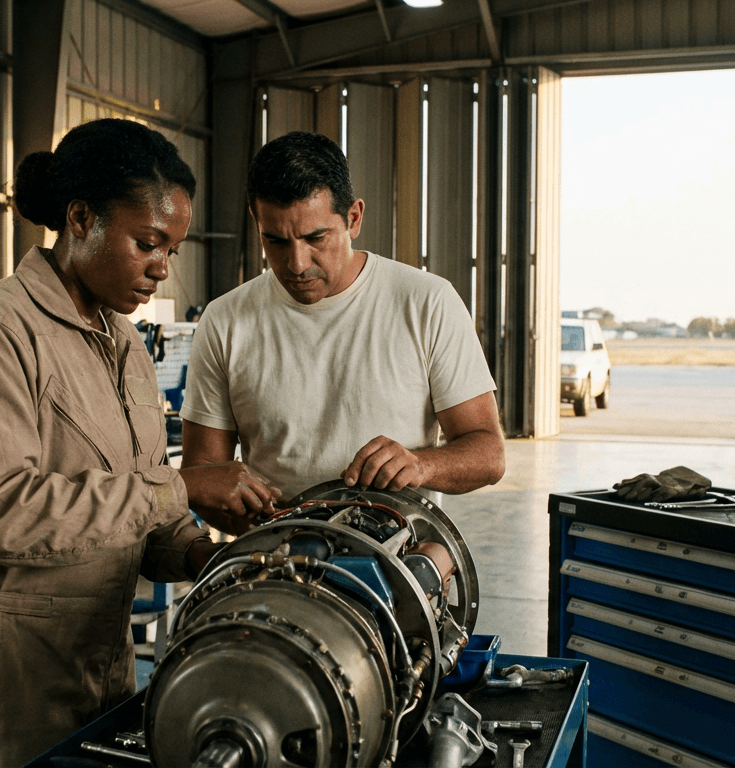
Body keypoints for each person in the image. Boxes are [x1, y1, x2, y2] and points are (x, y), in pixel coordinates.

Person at [0, 118, 280, 767]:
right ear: (81, 219)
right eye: (147, 244)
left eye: (172, 251)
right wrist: (184, 485)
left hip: (97, 668)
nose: (162, 270)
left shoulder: (124, 343)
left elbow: (141, 512)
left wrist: (206, 559)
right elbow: (0, 515)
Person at [180, 131, 505, 528]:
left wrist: (420, 466)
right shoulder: (225, 320)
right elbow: (203, 474)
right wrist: (267, 533)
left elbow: (489, 454)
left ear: (353, 218)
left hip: (397, 553)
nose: (297, 264)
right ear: (257, 223)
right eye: (276, 241)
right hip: (276, 553)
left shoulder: (426, 302)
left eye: (315, 238)